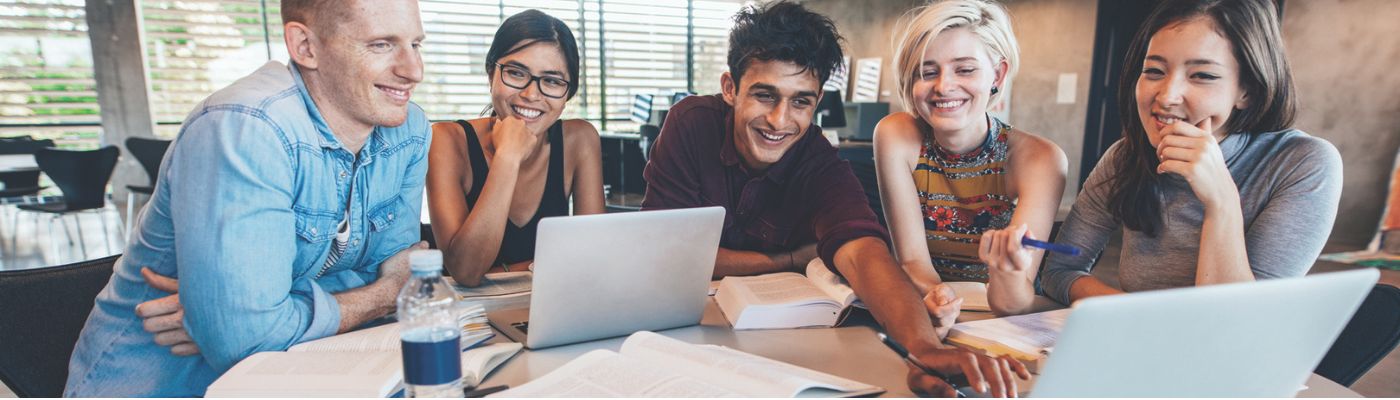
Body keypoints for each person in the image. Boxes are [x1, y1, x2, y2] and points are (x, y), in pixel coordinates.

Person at [641, 2, 1028, 396]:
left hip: (771, 345)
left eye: (801, 101)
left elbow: (863, 251)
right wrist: (787, 260)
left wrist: (923, 348)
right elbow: (667, 255)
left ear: (817, 101)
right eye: (764, 95)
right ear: (730, 88)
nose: (779, 120)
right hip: (678, 334)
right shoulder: (690, 124)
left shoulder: (817, 158)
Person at [65, 0, 431, 396]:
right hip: (171, 384)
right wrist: (381, 295)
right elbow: (246, 342)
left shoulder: (408, 129)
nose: (413, 71)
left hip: (315, 369)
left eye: (416, 44)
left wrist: (240, 312)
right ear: (305, 46)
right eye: (380, 44)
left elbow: (403, 268)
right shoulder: (246, 126)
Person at [1038, 0, 1343, 307]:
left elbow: (1240, 320)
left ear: (1247, 90)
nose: (1167, 96)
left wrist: (1220, 199)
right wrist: (1134, 317)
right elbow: (1060, 269)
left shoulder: (1304, 163)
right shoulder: (1124, 157)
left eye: (1202, 76)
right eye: (1154, 71)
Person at [875, 0, 1067, 317]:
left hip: (1002, 321)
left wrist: (1008, 271)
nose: (944, 86)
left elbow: (1014, 303)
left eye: (965, 69)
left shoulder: (1040, 159)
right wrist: (940, 301)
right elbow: (913, 263)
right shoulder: (896, 136)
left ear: (997, 74)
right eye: (927, 71)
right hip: (929, 309)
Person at [426, 10, 603, 287]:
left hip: (554, 306)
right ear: (490, 74)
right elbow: (466, 271)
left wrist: (502, 270)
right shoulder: (446, 140)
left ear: (568, 93)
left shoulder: (579, 140)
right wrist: (508, 156)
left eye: (553, 81)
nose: (531, 94)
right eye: (516, 73)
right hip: (473, 318)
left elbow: (593, 258)